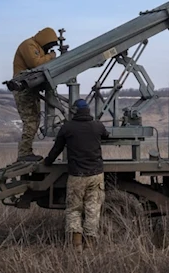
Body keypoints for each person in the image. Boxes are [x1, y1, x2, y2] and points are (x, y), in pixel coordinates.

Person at [44, 99, 110, 253]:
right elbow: (106, 135)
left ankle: (77, 246)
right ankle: (90, 245)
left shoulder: (67, 128)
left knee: (74, 210)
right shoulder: (97, 126)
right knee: (93, 209)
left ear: (74, 112)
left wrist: (47, 162)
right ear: (88, 111)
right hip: (96, 175)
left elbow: (56, 150)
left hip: (77, 177)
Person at [12, 27, 59, 162]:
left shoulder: (35, 46)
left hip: (30, 89)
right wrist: (51, 56)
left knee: (34, 120)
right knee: (30, 122)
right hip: (23, 89)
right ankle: (24, 154)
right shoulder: (29, 45)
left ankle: (26, 152)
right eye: (49, 45)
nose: (49, 49)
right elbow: (35, 63)